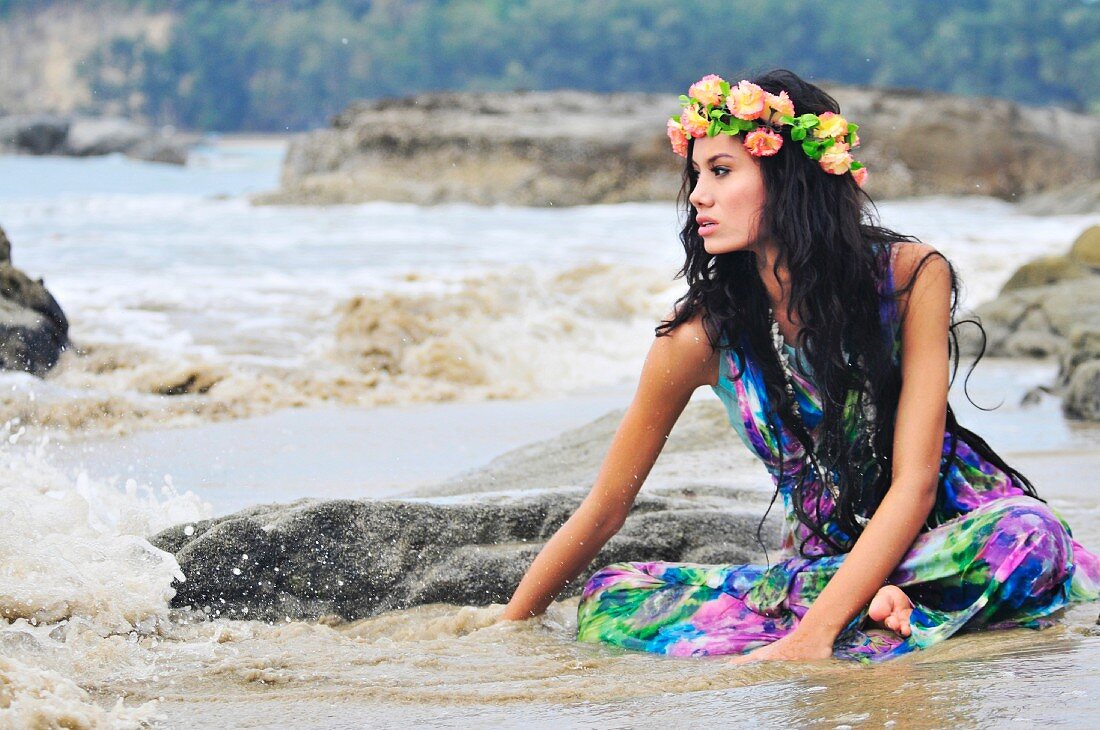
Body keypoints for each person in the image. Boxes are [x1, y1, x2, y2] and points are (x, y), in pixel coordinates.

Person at [499, 69, 1100, 662]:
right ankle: (873, 609)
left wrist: (810, 639)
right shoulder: (696, 340)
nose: (698, 196)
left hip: (952, 539)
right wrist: (508, 625)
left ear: (788, 179)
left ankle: (858, 612)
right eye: (697, 174)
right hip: (821, 565)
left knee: (1031, 534)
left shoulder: (910, 277)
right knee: (612, 596)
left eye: (722, 171)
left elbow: (916, 483)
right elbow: (607, 506)